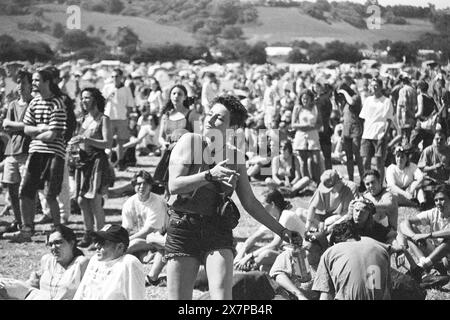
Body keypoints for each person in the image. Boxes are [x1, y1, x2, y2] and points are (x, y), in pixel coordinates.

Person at [165, 94, 302, 300]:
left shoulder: (235, 156)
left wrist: (281, 231)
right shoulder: (190, 141)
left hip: (217, 228)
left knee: (223, 298)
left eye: (219, 118)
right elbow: (174, 185)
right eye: (210, 114)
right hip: (184, 227)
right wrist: (209, 175)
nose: (210, 120)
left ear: (233, 128)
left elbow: (250, 202)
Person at [3, 69, 67, 242]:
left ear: (47, 82)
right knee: (26, 191)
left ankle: (57, 229)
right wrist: (41, 129)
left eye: (37, 80)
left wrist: (37, 131)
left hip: (54, 153)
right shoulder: (35, 102)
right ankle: (26, 229)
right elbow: (27, 128)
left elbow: (53, 135)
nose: (34, 83)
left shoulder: (58, 103)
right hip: (35, 152)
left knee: (50, 194)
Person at [69, 88, 114, 249]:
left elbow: (108, 143)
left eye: (87, 98)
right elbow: (79, 139)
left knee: (95, 200)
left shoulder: (104, 119)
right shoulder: (83, 119)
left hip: (97, 162)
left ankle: (100, 236)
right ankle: (88, 233)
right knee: (81, 200)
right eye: (82, 98)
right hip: (83, 162)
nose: (84, 101)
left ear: (95, 99)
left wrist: (86, 139)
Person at [0, 225, 89, 300]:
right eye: (50, 244)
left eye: (58, 242)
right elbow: (33, 284)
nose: (53, 247)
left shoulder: (81, 263)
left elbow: (90, 293)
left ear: (71, 243)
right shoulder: (47, 260)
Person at [312, 221, 392, 300]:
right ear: (358, 237)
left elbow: (326, 296)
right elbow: (386, 293)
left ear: (335, 243)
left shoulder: (331, 252)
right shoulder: (381, 250)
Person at [234, 189, 306, 273]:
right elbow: (254, 237)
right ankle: (250, 265)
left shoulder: (287, 215)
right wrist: (239, 256)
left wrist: (250, 256)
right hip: (282, 253)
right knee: (241, 246)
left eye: (263, 204)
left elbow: (275, 245)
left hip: (297, 257)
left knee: (266, 254)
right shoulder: (273, 218)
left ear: (272, 204)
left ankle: (250, 265)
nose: (260, 206)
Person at [73, 224, 146, 300]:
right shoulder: (95, 260)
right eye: (96, 240)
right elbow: (81, 292)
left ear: (120, 247)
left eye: (102, 242)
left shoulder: (129, 263)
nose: (96, 245)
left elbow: (136, 297)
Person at [0, 69, 32, 235]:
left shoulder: (34, 103)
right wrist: (23, 126)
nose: (20, 86)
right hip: (12, 151)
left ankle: (28, 224)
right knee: (11, 188)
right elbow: (6, 125)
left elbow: (32, 128)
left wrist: (15, 125)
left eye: (24, 82)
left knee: (25, 191)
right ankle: (19, 222)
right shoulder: (12, 105)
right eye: (18, 82)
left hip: (28, 151)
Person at [121, 170, 168, 285]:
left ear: (151, 186)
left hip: (159, 237)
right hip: (144, 239)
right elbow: (126, 228)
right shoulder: (129, 202)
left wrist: (126, 241)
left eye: (145, 184)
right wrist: (120, 239)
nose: (141, 187)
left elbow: (149, 230)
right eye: (138, 184)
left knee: (134, 244)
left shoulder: (157, 201)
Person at [398, 185, 450, 281]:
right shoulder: (434, 213)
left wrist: (429, 235)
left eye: (442, 199)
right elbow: (404, 223)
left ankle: (422, 267)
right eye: (436, 200)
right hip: (437, 256)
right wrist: (414, 236)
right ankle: (423, 263)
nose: (438, 203)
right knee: (410, 228)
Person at [359, 78, 395, 183]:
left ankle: (380, 184)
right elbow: (363, 117)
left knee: (380, 162)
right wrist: (363, 132)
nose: (374, 88)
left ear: (380, 87)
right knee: (366, 161)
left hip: (379, 135)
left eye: (376, 86)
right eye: (372, 85)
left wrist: (385, 134)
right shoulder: (368, 100)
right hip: (367, 135)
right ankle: (366, 183)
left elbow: (389, 120)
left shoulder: (387, 101)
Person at [304, 169, 357, 233]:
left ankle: (324, 229)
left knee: (328, 222)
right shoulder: (324, 184)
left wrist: (331, 222)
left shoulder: (351, 188)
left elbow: (348, 213)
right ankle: (320, 228)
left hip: (340, 219)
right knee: (300, 212)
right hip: (325, 219)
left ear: (338, 182)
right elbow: (312, 206)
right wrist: (308, 223)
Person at [102, 68, 135, 171]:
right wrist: (107, 97)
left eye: (116, 76)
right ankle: (107, 163)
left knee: (120, 142)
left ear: (121, 77)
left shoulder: (126, 89)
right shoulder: (107, 87)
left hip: (121, 118)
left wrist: (128, 117)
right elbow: (101, 102)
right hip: (109, 118)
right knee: (108, 142)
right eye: (113, 76)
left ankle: (120, 162)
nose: (114, 78)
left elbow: (130, 104)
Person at [336, 81, 364, 186]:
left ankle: (362, 180)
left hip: (355, 131)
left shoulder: (356, 97)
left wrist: (343, 91)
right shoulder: (345, 103)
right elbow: (342, 116)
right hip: (346, 131)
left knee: (358, 156)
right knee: (349, 158)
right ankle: (351, 179)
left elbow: (352, 102)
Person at [292, 89, 322, 183]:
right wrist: (305, 126)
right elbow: (293, 124)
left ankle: (317, 181)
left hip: (313, 135)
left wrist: (311, 127)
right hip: (301, 135)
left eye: (307, 98)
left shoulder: (315, 108)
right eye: (303, 98)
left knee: (316, 160)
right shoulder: (297, 108)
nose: (305, 101)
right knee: (303, 161)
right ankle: (305, 181)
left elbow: (320, 123)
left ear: (311, 99)